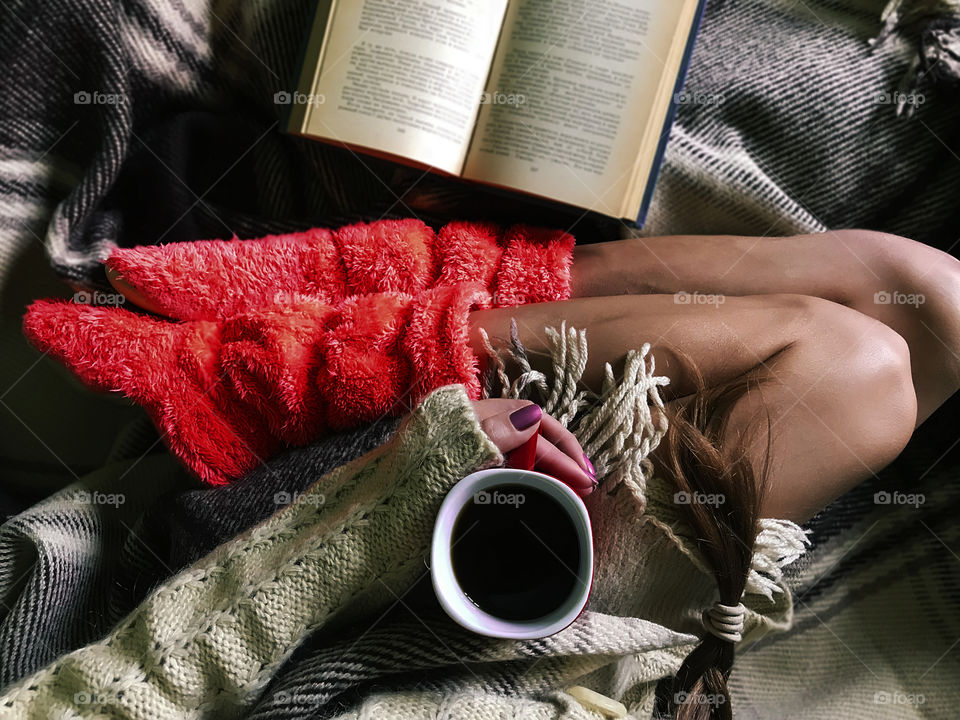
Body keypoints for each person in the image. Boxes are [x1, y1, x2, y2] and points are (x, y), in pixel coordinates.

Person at [89, 226, 960, 719]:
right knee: (927, 302)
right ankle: (442, 303)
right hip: (536, 545)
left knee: (862, 373)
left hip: (436, 614)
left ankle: (358, 353)